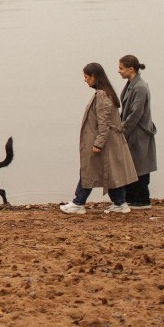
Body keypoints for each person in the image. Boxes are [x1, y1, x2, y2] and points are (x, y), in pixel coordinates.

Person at [60, 62, 138, 215]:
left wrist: (98, 143)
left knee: (88, 170)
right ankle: (120, 203)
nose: (85, 80)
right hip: (109, 142)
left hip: (104, 143)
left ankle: (78, 203)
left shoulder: (102, 95)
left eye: (86, 77)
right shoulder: (105, 93)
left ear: (94, 77)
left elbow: (104, 122)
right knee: (109, 172)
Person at [117, 54, 158, 209]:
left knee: (140, 166)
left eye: (121, 68)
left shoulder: (140, 87)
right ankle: (131, 198)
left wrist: (122, 130)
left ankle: (141, 200)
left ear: (131, 69)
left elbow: (136, 113)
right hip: (133, 132)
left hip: (139, 133)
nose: (119, 71)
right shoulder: (131, 84)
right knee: (132, 165)